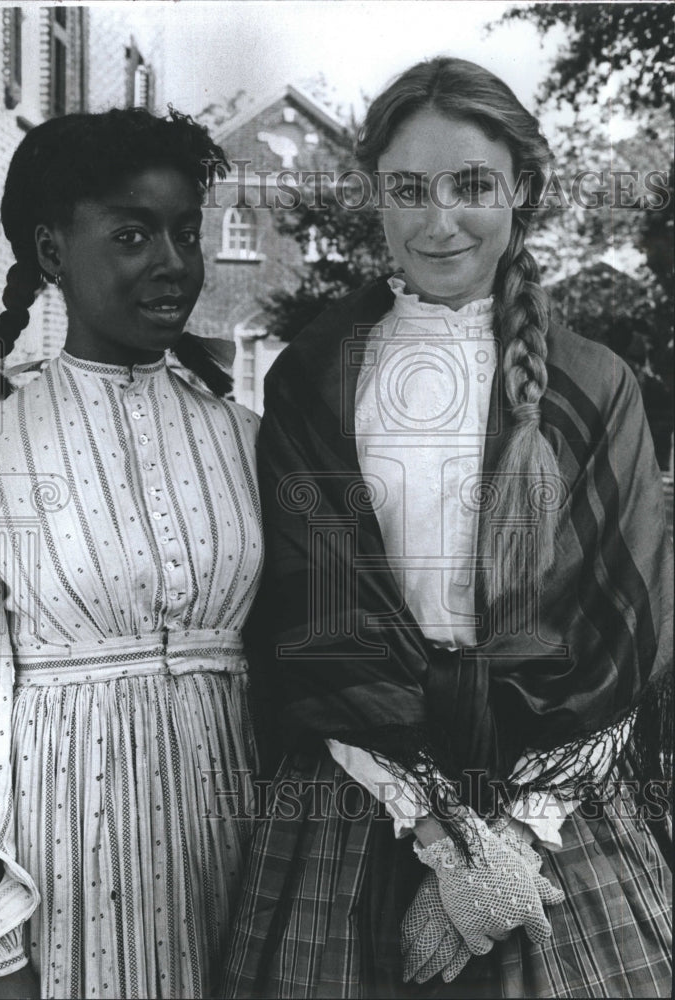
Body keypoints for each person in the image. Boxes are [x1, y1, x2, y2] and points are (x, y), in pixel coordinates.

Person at [223, 58, 672, 998]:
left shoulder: (595, 386)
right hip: (363, 790)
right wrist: (437, 835)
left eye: (472, 186)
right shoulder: (313, 380)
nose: (439, 221)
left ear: (525, 190)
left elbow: (617, 637)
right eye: (408, 190)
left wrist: (507, 853)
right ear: (375, 197)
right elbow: (315, 620)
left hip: (550, 800)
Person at [0, 108, 263, 999]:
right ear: (50, 252)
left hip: (238, 837)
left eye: (185, 233)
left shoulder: (248, 440)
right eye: (131, 234)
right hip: (69, 851)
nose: (173, 263)